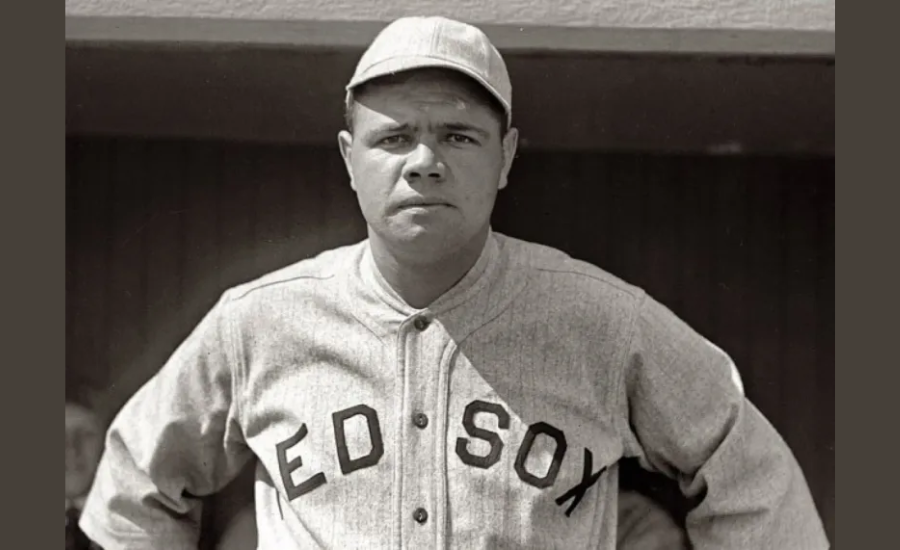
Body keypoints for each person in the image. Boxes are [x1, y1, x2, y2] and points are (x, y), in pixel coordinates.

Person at [80, 15, 828, 549]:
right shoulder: (261, 323)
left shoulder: (602, 320)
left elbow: (750, 475)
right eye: (394, 137)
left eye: (458, 136)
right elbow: (134, 486)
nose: (424, 161)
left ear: (506, 157)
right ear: (349, 157)